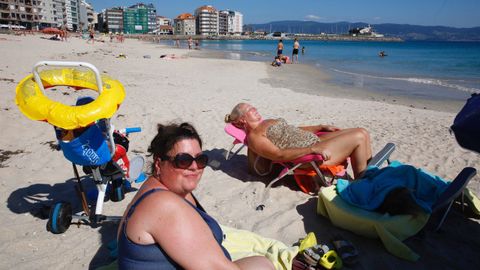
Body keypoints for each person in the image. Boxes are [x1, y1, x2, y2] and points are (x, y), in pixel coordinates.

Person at [117, 122, 274, 269]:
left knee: (262, 264)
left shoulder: (163, 187)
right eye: (183, 160)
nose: (194, 167)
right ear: (159, 164)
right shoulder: (163, 204)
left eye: (200, 159)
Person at [225, 103, 372, 179]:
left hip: (314, 140)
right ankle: (362, 183)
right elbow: (278, 154)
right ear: (242, 119)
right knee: (358, 136)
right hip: (308, 153)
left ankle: (372, 173)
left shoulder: (268, 121)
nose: (255, 108)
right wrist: (311, 150)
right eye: (250, 109)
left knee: (363, 131)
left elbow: (294, 130)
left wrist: (320, 126)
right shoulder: (255, 137)